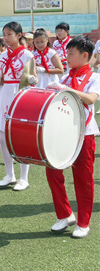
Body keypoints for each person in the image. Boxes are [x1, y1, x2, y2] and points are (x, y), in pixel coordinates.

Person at [45, 36, 99, 238]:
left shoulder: (94, 77)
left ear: (85, 55)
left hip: (84, 133)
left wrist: (67, 90)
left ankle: (84, 222)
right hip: (62, 132)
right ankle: (65, 215)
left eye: (70, 53)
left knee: (83, 178)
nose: (66, 57)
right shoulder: (66, 77)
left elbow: (91, 99)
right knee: (52, 172)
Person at [0, 21, 36, 191]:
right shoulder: (3, 56)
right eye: (4, 34)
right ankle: (9, 174)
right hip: (5, 95)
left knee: (21, 137)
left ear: (19, 36)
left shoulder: (27, 55)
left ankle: (24, 178)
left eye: (9, 34)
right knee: (3, 137)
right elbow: (1, 79)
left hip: (20, 95)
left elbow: (33, 77)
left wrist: (31, 79)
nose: (6, 37)